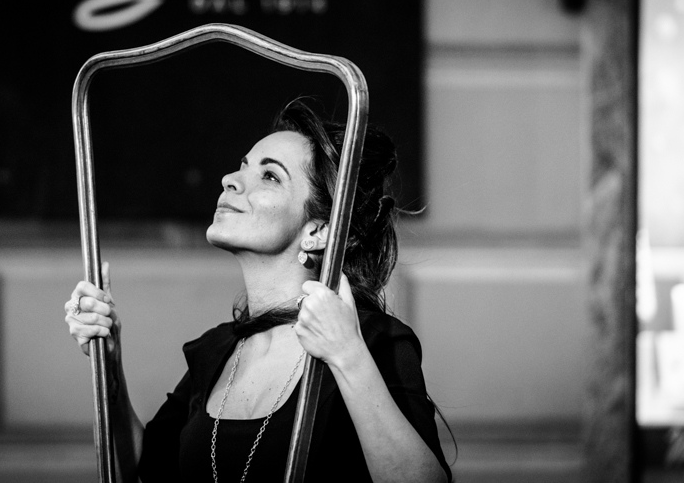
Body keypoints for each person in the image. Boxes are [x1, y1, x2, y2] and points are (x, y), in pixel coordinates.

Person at [65, 99, 453, 482]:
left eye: (269, 176)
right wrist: (109, 367)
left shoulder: (372, 341)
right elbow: (136, 469)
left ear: (319, 230)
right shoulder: (215, 351)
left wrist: (348, 355)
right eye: (243, 166)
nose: (229, 180)